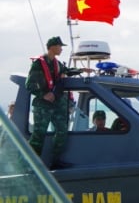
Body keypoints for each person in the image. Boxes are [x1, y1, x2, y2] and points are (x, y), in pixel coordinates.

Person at [26, 36, 91, 169]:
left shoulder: (57, 64)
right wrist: (43, 94)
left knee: (62, 131)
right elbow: (29, 84)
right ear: (52, 47)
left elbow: (66, 71)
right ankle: (31, 165)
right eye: (60, 46)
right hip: (42, 105)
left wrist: (81, 70)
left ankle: (54, 161)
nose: (61, 49)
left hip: (56, 104)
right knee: (39, 135)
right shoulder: (38, 63)